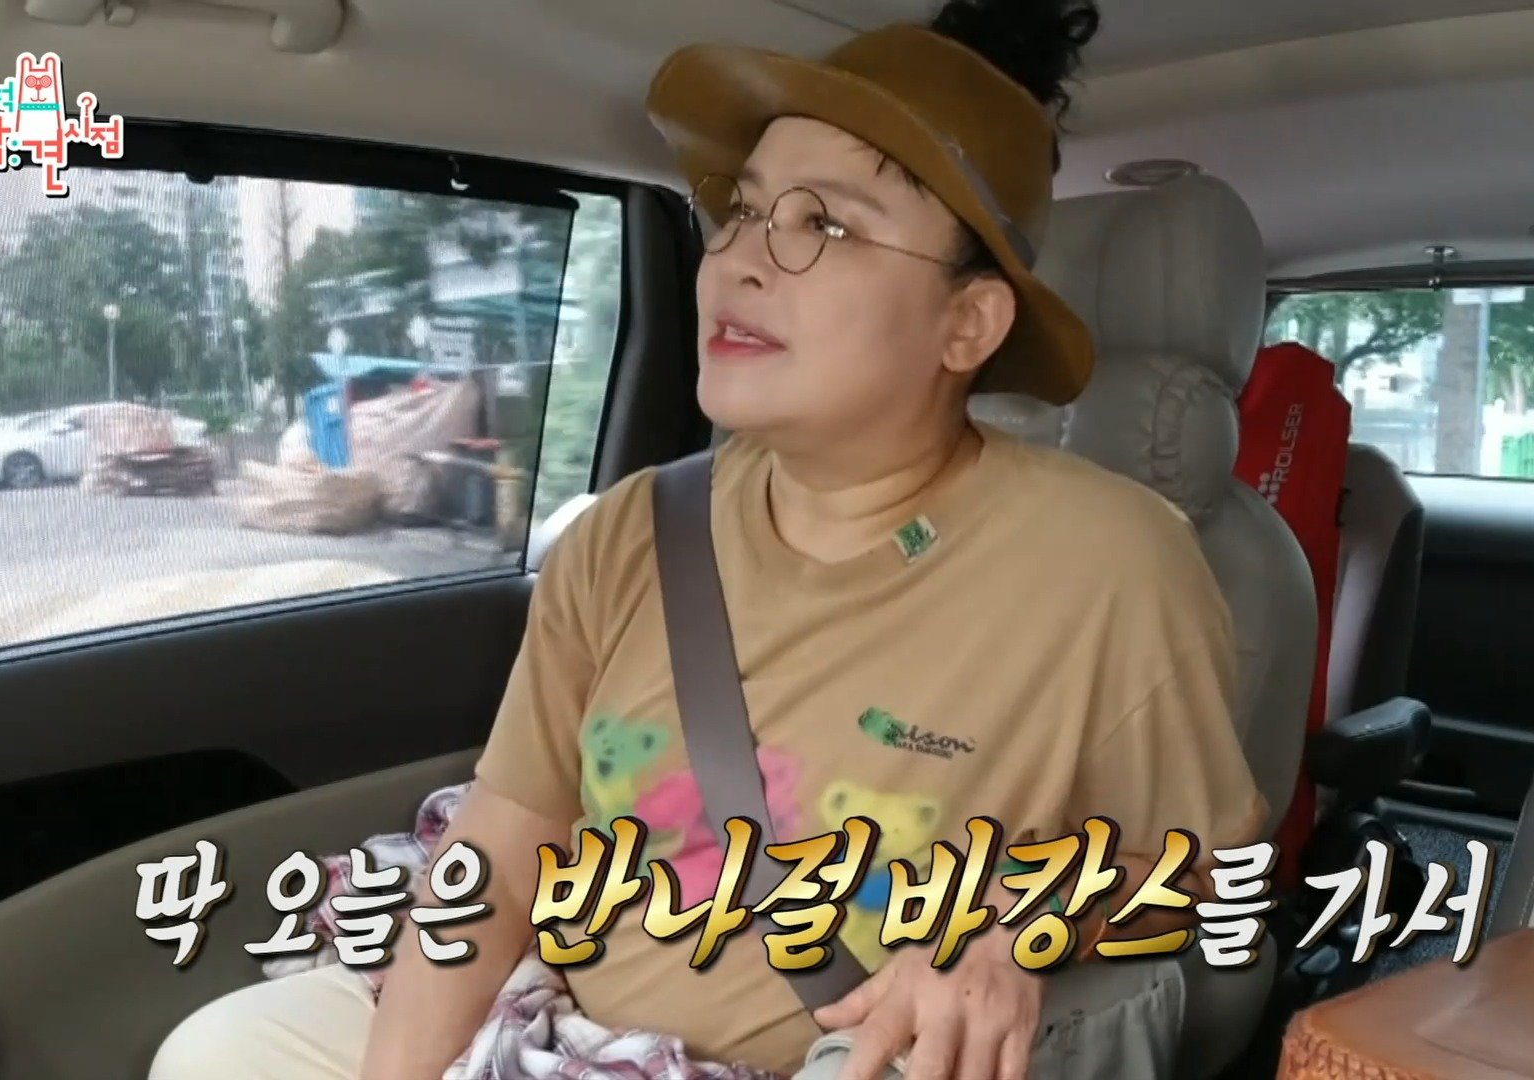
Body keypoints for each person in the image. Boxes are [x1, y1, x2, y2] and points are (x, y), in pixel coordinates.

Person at [149, 1, 1267, 1077]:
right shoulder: (630, 530)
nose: (737, 261)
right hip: (555, 1028)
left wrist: (1019, 928)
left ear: (967, 323)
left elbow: (1212, 880)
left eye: (826, 224)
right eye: (742, 210)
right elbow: (503, 851)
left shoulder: (1109, 561)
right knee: (216, 1052)